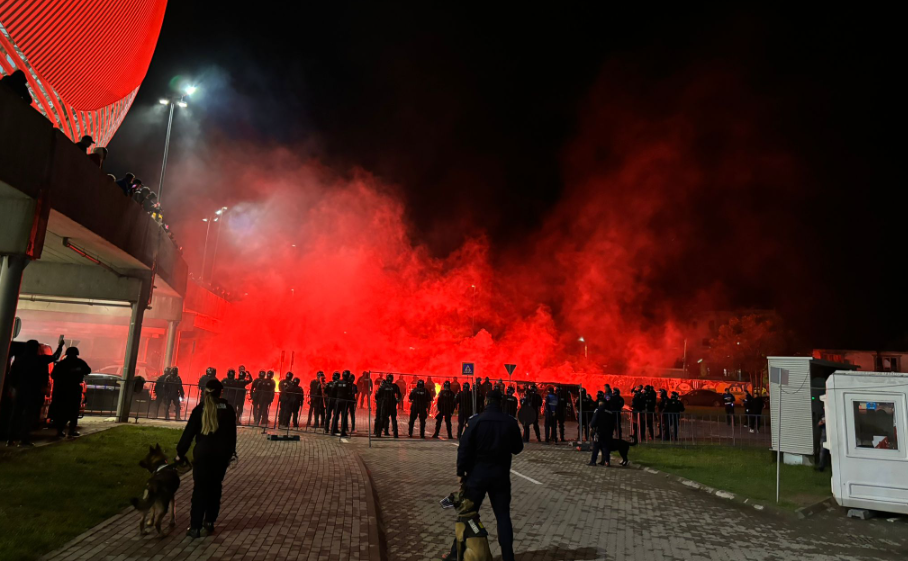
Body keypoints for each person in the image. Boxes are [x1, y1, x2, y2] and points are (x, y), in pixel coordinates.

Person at [448, 389, 523, 561]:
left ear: (486, 402)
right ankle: (508, 557)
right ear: (501, 402)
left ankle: (456, 554)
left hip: (477, 476)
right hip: (500, 476)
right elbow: (518, 448)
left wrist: (461, 472)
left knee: (467, 514)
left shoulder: (476, 421)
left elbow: (464, 448)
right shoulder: (510, 422)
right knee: (503, 516)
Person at [175, 379, 237, 539]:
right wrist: (230, 453)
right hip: (220, 456)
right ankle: (209, 522)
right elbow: (232, 436)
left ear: (205, 392)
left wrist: (180, 453)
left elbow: (188, 434)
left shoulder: (199, 410)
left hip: (203, 455)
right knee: (215, 488)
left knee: (200, 490)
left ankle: (195, 527)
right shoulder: (228, 410)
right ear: (220, 393)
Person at [9, 337, 64, 447]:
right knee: (28, 416)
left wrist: (15, 387)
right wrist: (60, 346)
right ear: (36, 348)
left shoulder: (19, 359)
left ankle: (10, 440)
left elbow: (12, 375)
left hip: (20, 390)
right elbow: (55, 357)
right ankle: (24, 439)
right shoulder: (40, 359)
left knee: (16, 415)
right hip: (33, 391)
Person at [50, 346, 90, 438]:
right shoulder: (79, 362)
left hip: (62, 390)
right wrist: (77, 371)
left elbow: (53, 375)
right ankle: (71, 431)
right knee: (73, 411)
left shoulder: (62, 364)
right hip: (73, 389)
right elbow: (88, 370)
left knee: (62, 411)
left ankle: (60, 431)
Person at [588, 398, 615, 466]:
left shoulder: (598, 410)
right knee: (605, 447)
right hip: (607, 432)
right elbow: (613, 422)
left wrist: (591, 426)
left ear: (600, 403)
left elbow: (594, 421)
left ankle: (593, 461)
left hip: (598, 432)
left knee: (596, 446)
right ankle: (607, 461)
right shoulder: (609, 411)